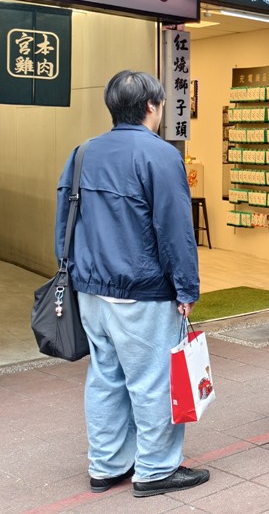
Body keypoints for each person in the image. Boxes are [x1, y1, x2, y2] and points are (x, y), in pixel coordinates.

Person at [56, 71, 209, 497]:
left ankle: (106, 465)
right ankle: (156, 469)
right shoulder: (159, 155)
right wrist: (186, 289)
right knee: (152, 380)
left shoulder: (82, 152)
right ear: (150, 107)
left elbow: (64, 219)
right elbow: (175, 230)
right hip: (142, 290)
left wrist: (70, 271)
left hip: (90, 289)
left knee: (106, 376)